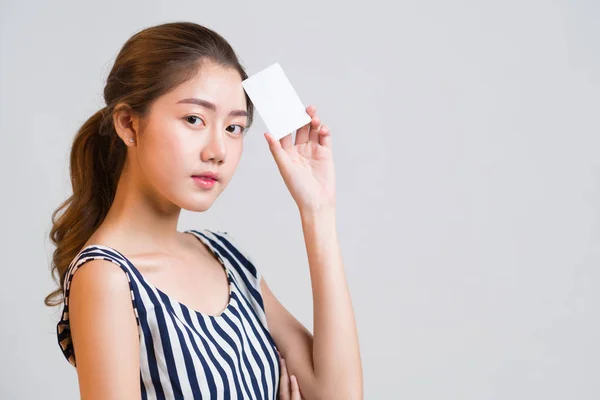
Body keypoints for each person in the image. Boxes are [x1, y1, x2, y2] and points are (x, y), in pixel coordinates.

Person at [45, 21, 363, 400]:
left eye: (233, 127)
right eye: (194, 119)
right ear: (129, 125)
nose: (218, 151)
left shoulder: (227, 257)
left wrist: (318, 211)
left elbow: (338, 395)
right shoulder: (106, 277)